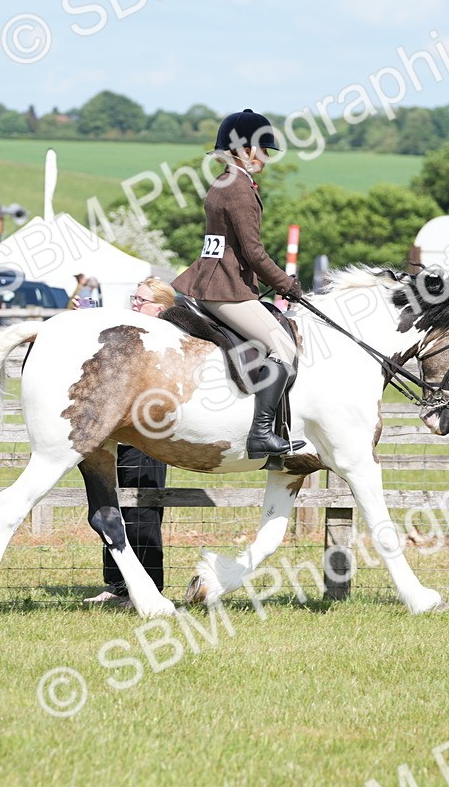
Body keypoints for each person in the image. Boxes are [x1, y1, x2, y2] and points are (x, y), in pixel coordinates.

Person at [172, 108, 306, 459]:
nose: (265, 158)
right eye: (262, 150)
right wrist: (286, 285)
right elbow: (255, 253)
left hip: (211, 281)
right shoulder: (240, 190)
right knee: (284, 349)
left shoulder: (221, 182)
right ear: (245, 149)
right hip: (226, 290)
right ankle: (261, 433)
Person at [85, 276, 174, 607]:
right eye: (134, 300)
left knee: (143, 507)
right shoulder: (130, 336)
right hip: (118, 429)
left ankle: (149, 584)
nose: (135, 305)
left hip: (149, 432)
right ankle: (118, 583)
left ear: (161, 309)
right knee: (112, 506)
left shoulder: (165, 340)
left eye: (141, 301)